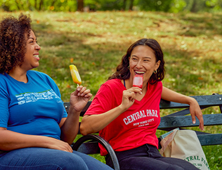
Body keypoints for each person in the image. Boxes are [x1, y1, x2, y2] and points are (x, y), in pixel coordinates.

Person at [0, 14, 113, 170]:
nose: (38, 46)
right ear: (12, 47)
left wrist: (74, 110)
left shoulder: (44, 81)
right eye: (31, 42)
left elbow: (66, 138)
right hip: (0, 157)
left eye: (36, 41)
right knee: (71, 163)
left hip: (51, 154)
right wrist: (48, 142)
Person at [80, 38, 204, 170]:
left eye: (146, 60)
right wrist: (122, 107)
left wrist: (190, 100)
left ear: (156, 65)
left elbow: (164, 91)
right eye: (134, 59)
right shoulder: (111, 88)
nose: (138, 65)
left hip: (153, 154)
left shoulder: (154, 86)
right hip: (122, 157)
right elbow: (85, 127)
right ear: (128, 61)